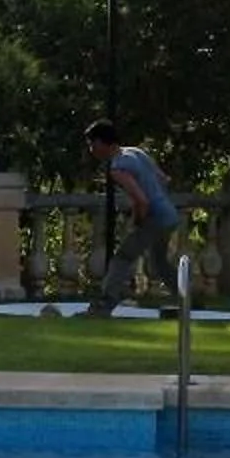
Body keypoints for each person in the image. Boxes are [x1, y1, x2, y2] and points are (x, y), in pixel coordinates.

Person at [81, 119, 180, 318]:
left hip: (154, 216)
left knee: (123, 257)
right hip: (169, 214)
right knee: (159, 262)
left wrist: (138, 220)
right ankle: (188, 298)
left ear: (102, 143)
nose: (91, 150)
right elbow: (163, 179)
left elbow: (141, 200)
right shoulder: (136, 152)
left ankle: (105, 304)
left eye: (93, 144)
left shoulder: (118, 167)